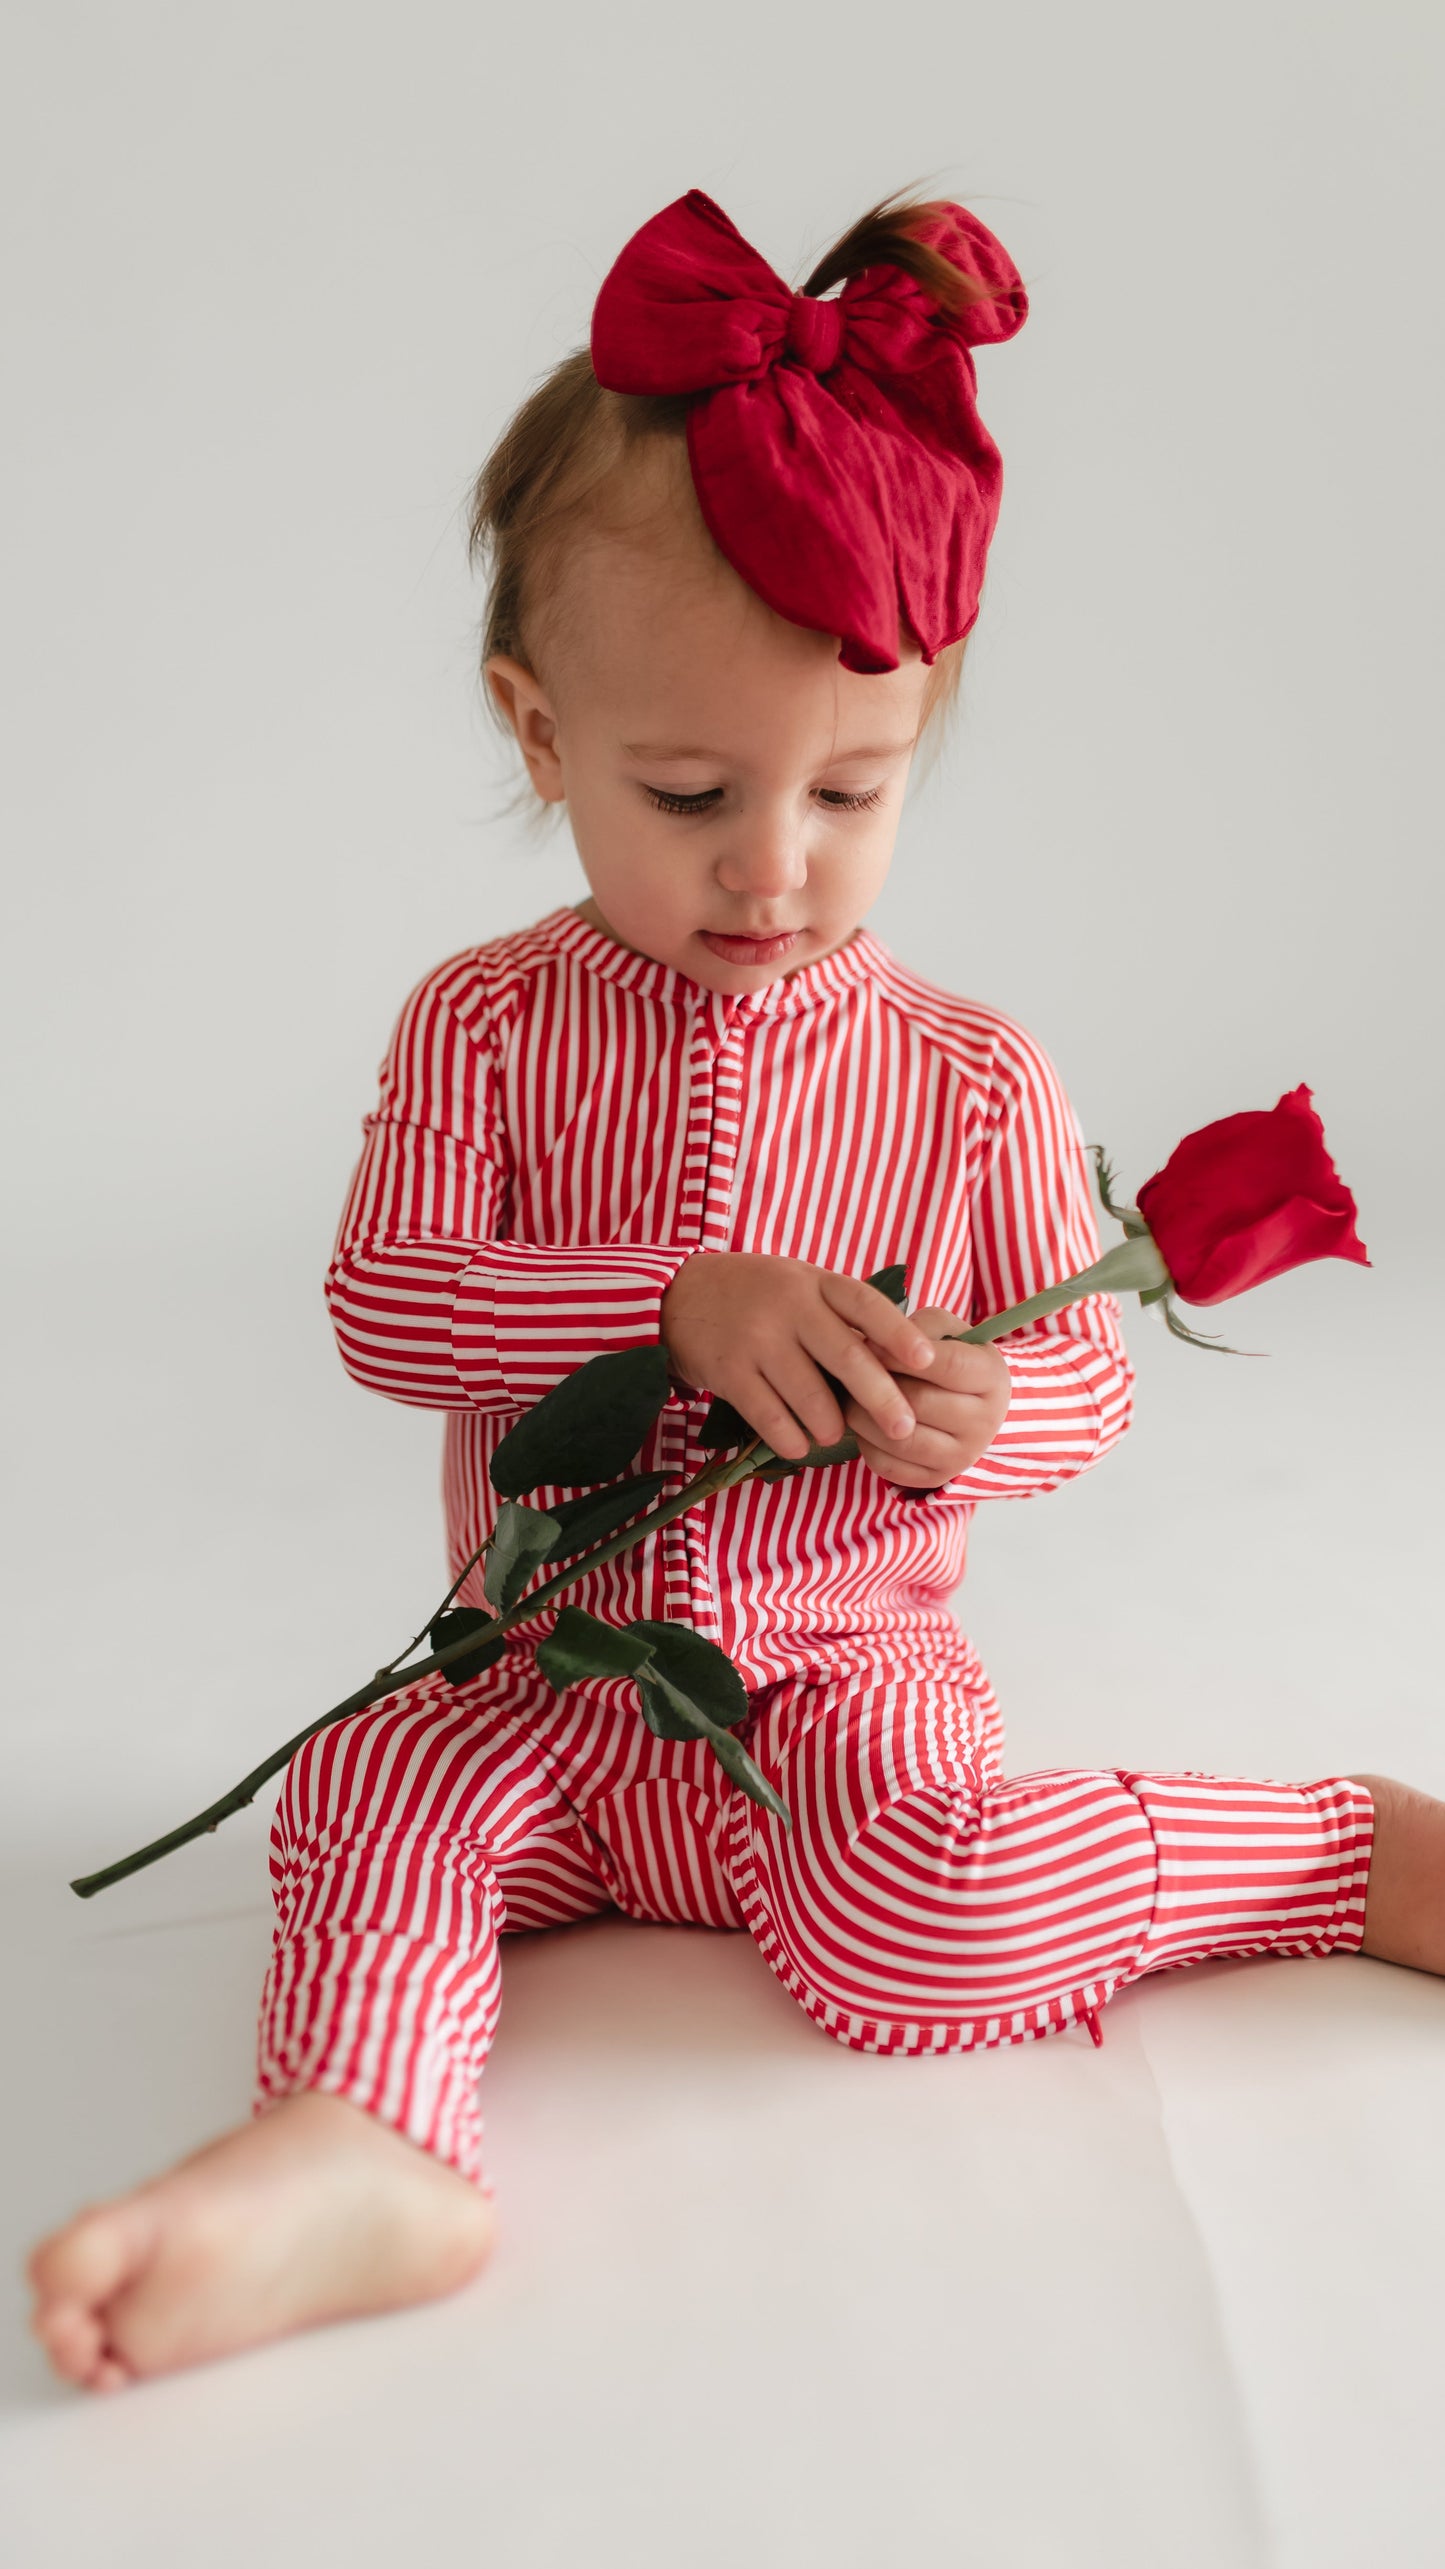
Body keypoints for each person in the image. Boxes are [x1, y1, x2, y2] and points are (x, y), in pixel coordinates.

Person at [25, 187, 1440, 2391]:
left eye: (854, 790)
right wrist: (663, 1303)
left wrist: (990, 1413)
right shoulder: (478, 1029)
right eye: (689, 790)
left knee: (929, 1917)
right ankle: (364, 2143)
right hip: (546, 1665)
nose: (771, 862)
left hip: (832, 1701)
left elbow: (1088, 1389)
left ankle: (1337, 1857)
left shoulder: (969, 1079)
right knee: (365, 1803)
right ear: (535, 730)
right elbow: (388, 1308)